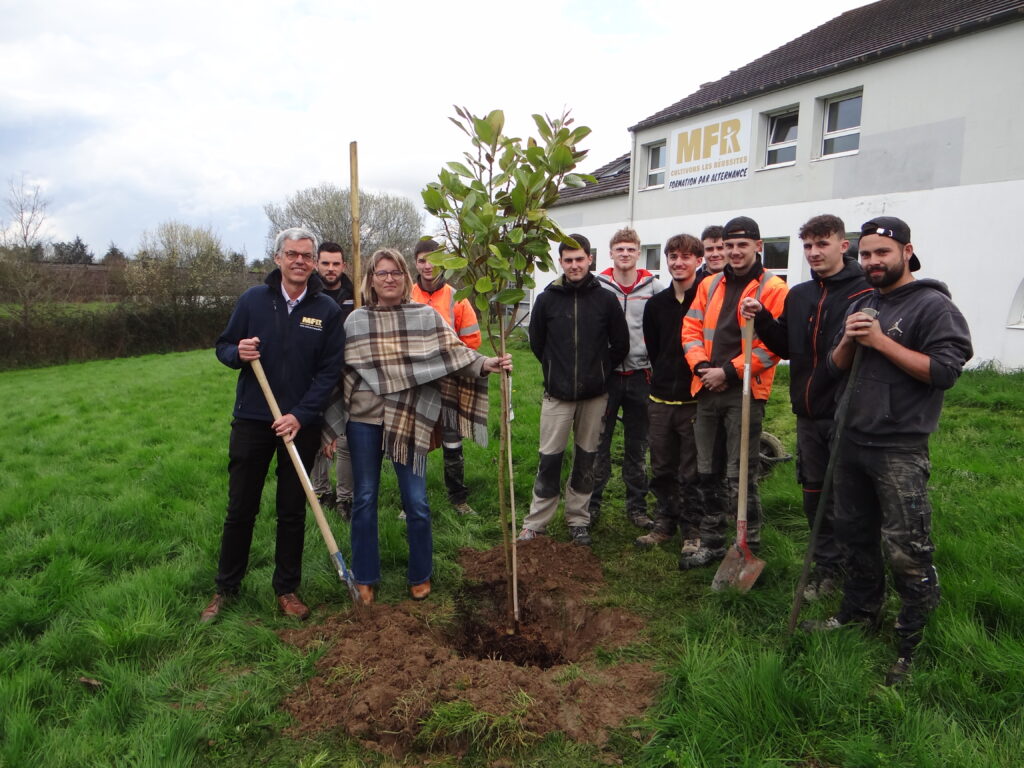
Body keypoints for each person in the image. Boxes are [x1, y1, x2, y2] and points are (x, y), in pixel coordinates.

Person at [811, 216, 972, 686]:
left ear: (906, 251)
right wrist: (847, 340)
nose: (872, 262)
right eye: (865, 254)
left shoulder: (932, 307)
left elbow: (944, 371)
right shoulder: (863, 301)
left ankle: (912, 641)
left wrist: (881, 342)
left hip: (898, 446)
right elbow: (835, 369)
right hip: (850, 439)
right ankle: (859, 614)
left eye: (882, 252)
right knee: (855, 537)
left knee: (906, 548)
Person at [327, 249, 511, 603]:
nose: (389, 279)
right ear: (371, 279)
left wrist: (487, 363)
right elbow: (339, 371)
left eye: (396, 272)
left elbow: (454, 352)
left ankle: (420, 573)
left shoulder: (425, 317)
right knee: (364, 498)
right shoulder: (356, 321)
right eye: (382, 273)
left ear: (406, 278)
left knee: (417, 500)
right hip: (364, 420)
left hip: (410, 417)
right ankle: (365, 575)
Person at [201, 227, 345, 623]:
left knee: (292, 510)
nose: (299, 261)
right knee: (240, 508)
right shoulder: (253, 301)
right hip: (253, 419)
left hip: (300, 425)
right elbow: (223, 346)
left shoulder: (326, 312)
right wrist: (237, 352)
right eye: (291, 254)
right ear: (278, 258)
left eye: (306, 255)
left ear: (314, 263)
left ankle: (286, 589)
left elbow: (330, 372)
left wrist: (300, 415)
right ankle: (226, 588)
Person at [740, 214, 871, 600]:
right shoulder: (800, 295)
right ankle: (826, 568)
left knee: (849, 497)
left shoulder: (865, 292)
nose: (814, 253)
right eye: (808, 246)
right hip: (809, 411)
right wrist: (762, 318)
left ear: (843, 246)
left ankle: (860, 575)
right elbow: (785, 347)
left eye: (822, 244)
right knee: (814, 496)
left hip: (850, 413)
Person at [680, 216, 788, 570]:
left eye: (743, 245)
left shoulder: (773, 288)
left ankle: (747, 545)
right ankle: (711, 542)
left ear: (758, 246)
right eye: (729, 246)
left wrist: (728, 371)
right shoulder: (709, 284)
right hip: (706, 387)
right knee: (707, 470)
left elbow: (769, 347)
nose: (735, 252)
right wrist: (701, 368)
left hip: (745, 391)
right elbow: (691, 329)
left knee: (741, 472)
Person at [519, 234, 629, 546]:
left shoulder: (606, 299)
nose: (574, 265)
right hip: (557, 394)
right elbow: (537, 343)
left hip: (595, 396)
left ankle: (578, 519)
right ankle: (536, 523)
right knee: (549, 459)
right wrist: (556, 370)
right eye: (568, 260)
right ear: (560, 262)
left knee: (586, 458)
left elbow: (620, 343)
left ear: (590, 259)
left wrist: (600, 371)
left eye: (579, 259)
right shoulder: (546, 299)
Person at [589, 227, 663, 530]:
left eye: (630, 249)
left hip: (640, 376)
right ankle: (591, 506)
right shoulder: (598, 285)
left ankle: (637, 507)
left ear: (638, 252)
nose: (625, 254)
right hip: (605, 377)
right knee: (597, 444)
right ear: (611, 253)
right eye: (619, 248)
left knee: (637, 445)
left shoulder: (654, 287)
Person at [635, 234, 704, 550]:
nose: (679, 262)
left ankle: (693, 529)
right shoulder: (656, 305)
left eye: (686, 256)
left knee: (692, 470)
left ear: (698, 261)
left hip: (694, 400)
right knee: (661, 467)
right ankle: (664, 521)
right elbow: (654, 346)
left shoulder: (705, 302)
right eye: (673, 256)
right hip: (661, 398)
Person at [410, 238, 483, 516]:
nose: (428, 266)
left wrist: (450, 359)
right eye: (422, 260)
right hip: (416, 382)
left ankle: (458, 498)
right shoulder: (407, 294)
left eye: (434, 260)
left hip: (450, 379)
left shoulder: (457, 296)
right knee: (415, 442)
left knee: (453, 440)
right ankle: (411, 501)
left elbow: (472, 339)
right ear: (415, 262)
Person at [311, 241, 356, 520]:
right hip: (315, 373)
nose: (330, 268)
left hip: (348, 374)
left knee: (345, 439)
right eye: (325, 263)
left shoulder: (356, 296)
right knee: (316, 435)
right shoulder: (309, 295)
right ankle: (320, 490)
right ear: (317, 264)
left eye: (336, 263)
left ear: (344, 266)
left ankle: (345, 498)